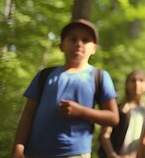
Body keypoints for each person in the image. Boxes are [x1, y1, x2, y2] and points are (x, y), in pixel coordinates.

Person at [11, 19, 119, 158]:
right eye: (72, 39)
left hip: (75, 154)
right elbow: (28, 115)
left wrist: (81, 111)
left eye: (85, 40)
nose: (78, 43)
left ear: (94, 48)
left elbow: (113, 118)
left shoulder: (100, 77)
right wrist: (18, 148)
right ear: (61, 46)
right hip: (34, 153)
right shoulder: (45, 75)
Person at [100, 69, 145, 158]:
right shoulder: (117, 109)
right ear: (126, 84)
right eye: (133, 80)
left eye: (141, 80)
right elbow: (105, 134)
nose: (137, 84)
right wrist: (111, 154)